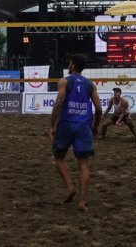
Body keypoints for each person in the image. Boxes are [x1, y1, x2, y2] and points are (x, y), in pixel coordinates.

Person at [47, 54, 102, 211]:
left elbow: (58, 103)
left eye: (70, 62)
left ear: (72, 66)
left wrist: (52, 125)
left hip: (66, 124)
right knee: (83, 164)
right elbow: (98, 109)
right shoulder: (90, 85)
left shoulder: (65, 81)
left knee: (58, 157)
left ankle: (71, 187)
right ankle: (82, 202)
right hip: (84, 126)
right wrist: (96, 126)